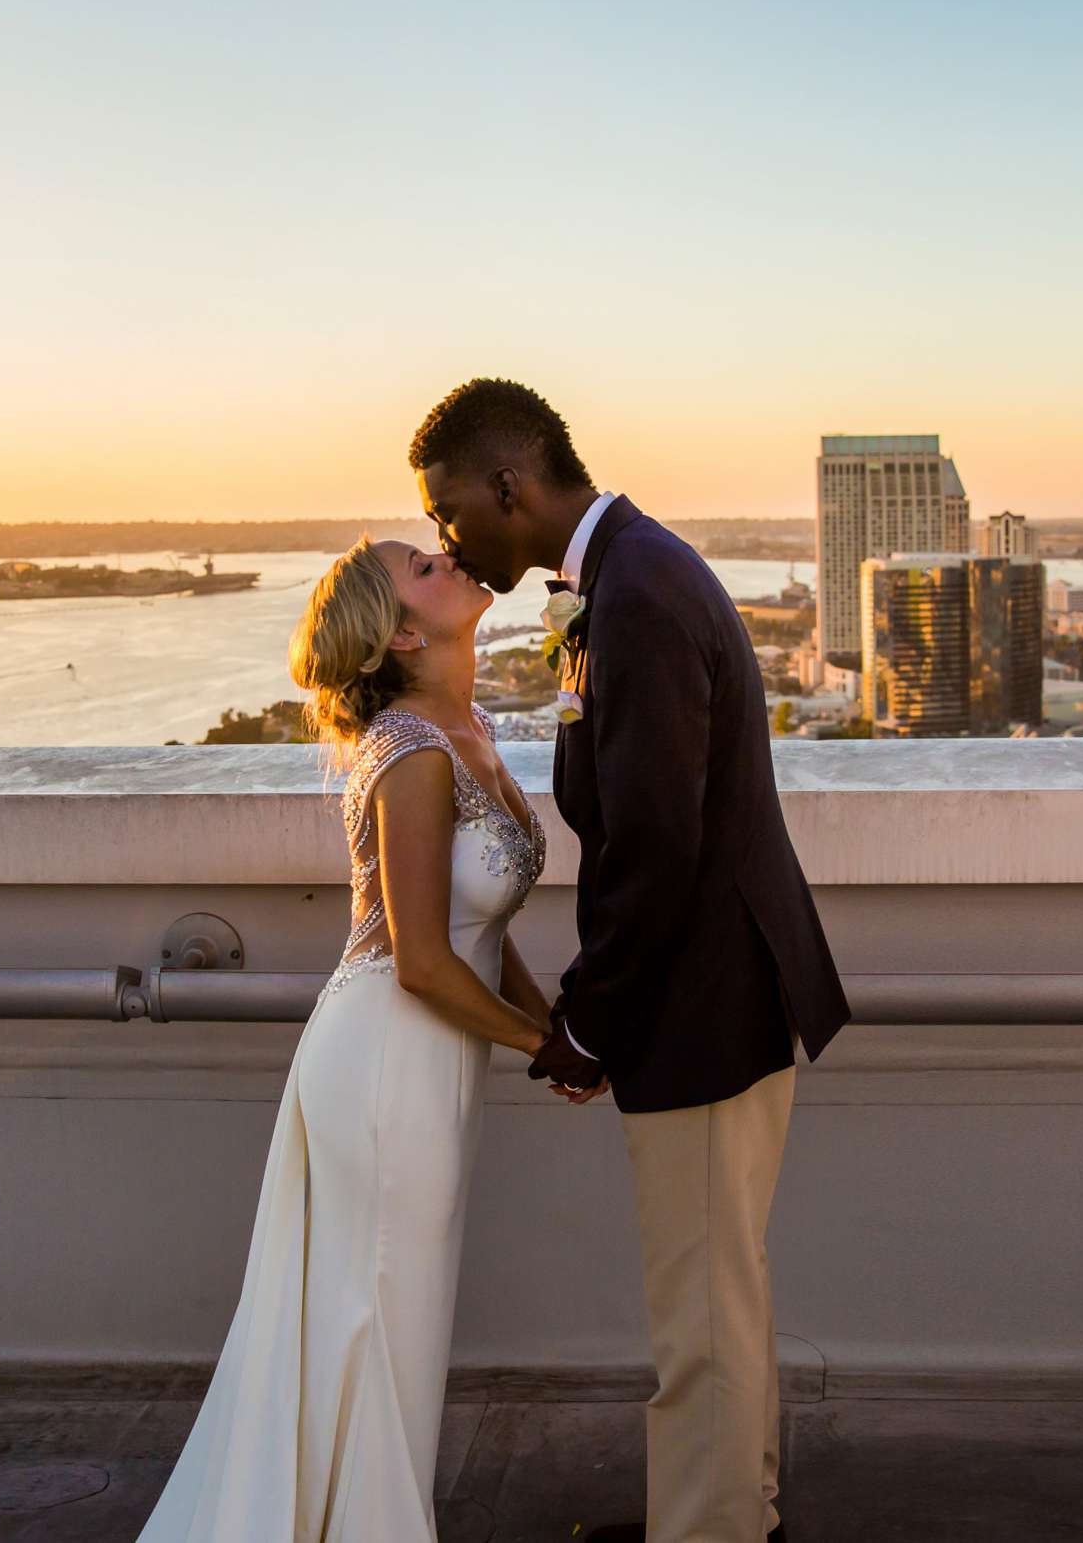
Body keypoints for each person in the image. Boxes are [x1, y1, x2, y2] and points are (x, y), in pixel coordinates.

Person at [413, 377, 850, 1543]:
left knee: (701, 1313)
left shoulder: (643, 596)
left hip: (702, 1004)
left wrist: (589, 1026)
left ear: (511, 486)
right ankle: (720, 1517)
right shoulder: (630, 575)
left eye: (452, 512)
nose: (448, 539)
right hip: (722, 988)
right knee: (724, 1295)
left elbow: (657, 848)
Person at [136, 535, 564, 1541]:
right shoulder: (413, 756)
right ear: (405, 633)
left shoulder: (470, 729)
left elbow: (479, 933)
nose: (450, 559)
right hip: (385, 1062)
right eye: (423, 567)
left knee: (399, 1320)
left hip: (431, 1062)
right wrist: (545, 1049)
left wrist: (555, 1028)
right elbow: (420, 959)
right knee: (379, 1320)